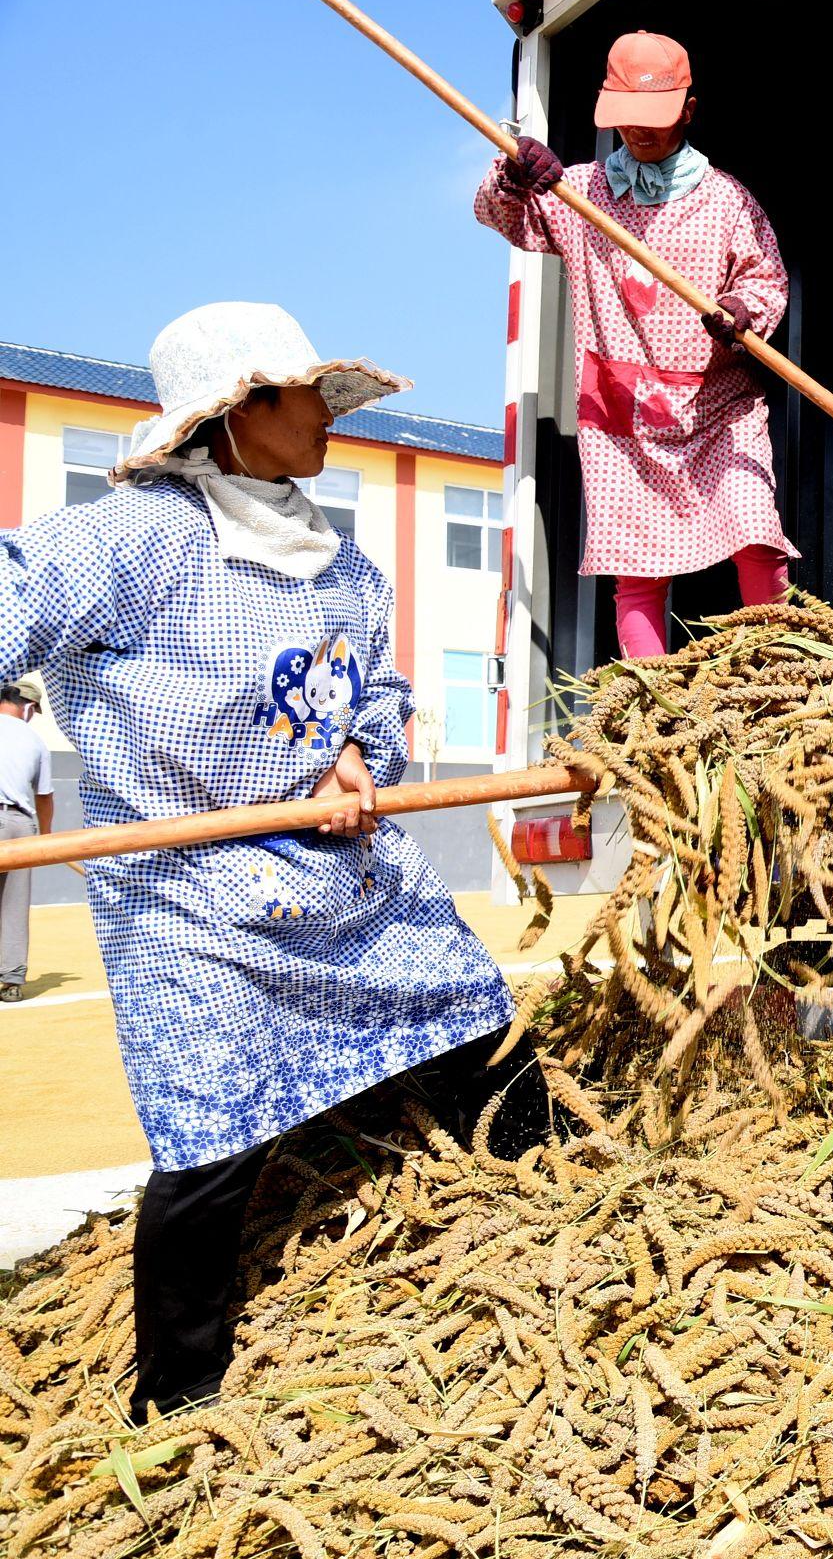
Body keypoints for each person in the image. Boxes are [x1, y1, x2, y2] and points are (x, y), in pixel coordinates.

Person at [0, 302, 535, 1417]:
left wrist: (354, 756)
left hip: (338, 873)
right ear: (239, 411)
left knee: (470, 1026)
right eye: (308, 397)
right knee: (212, 1141)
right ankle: (180, 1395)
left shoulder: (336, 556)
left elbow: (374, 687)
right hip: (192, 891)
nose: (327, 420)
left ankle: (560, 1204)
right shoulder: (131, 539)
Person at [474, 29, 796, 659]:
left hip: (716, 408)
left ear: (690, 111)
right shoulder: (577, 193)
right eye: (629, 121)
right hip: (621, 414)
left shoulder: (727, 200)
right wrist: (514, 173)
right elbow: (500, 216)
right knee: (638, 569)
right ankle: (650, 712)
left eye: (657, 119)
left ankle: (780, 682)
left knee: (756, 530)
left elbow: (766, 280)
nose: (641, 134)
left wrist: (740, 311)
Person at [0, 677, 55, 1002]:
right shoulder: (35, 741)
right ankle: (11, 979)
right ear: (29, 707)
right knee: (13, 904)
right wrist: (46, 838)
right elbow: (45, 796)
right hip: (18, 823)